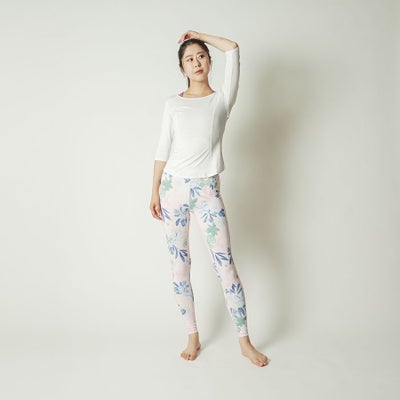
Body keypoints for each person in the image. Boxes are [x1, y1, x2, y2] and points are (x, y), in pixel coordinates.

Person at [149, 30, 269, 367]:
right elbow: (162, 148)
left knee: (225, 266)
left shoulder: (222, 100)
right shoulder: (173, 104)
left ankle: (245, 342)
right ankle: (192, 335)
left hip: (207, 191)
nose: (196, 62)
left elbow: (233, 48)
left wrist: (198, 35)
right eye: (189, 59)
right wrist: (154, 189)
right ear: (182, 68)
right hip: (172, 190)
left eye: (201, 56)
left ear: (209, 61)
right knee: (179, 267)